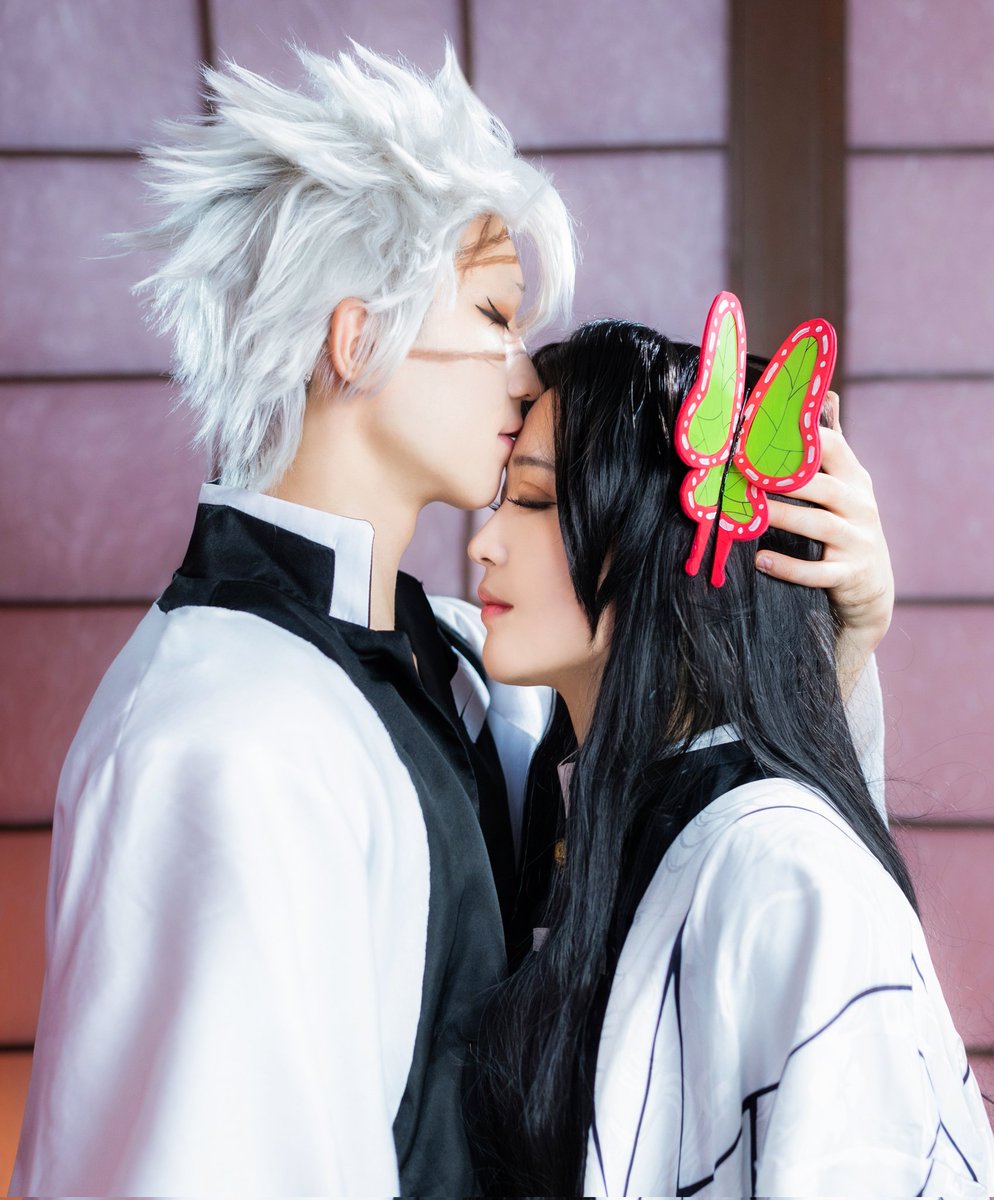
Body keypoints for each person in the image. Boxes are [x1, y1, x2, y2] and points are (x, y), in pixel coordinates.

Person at [11, 43, 898, 1198]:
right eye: (491, 314)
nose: (523, 377)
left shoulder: (475, 657)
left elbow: (734, 875)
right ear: (354, 339)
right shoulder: (224, 734)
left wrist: (832, 637)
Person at [468, 318, 994, 1198]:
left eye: (530, 500)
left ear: (663, 544)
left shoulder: (787, 873)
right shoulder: (574, 803)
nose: (482, 542)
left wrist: (844, 640)